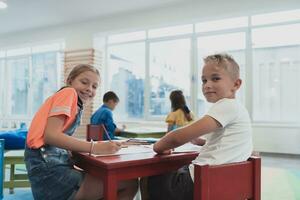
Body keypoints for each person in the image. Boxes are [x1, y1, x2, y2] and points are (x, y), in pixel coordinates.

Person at [147, 53, 253, 200]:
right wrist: (202, 142)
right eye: (204, 80)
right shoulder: (239, 109)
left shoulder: (226, 105)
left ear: (236, 84)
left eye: (215, 78)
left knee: (150, 177)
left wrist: (158, 146)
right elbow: (225, 143)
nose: (207, 85)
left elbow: (177, 138)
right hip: (225, 185)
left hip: (199, 183)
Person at [24, 64, 137, 200]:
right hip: (50, 170)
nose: (89, 89)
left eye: (94, 86)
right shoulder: (68, 93)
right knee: (130, 182)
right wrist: (95, 147)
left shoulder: (75, 103)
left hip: (45, 168)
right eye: (84, 82)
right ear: (70, 81)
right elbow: (51, 136)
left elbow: (56, 136)